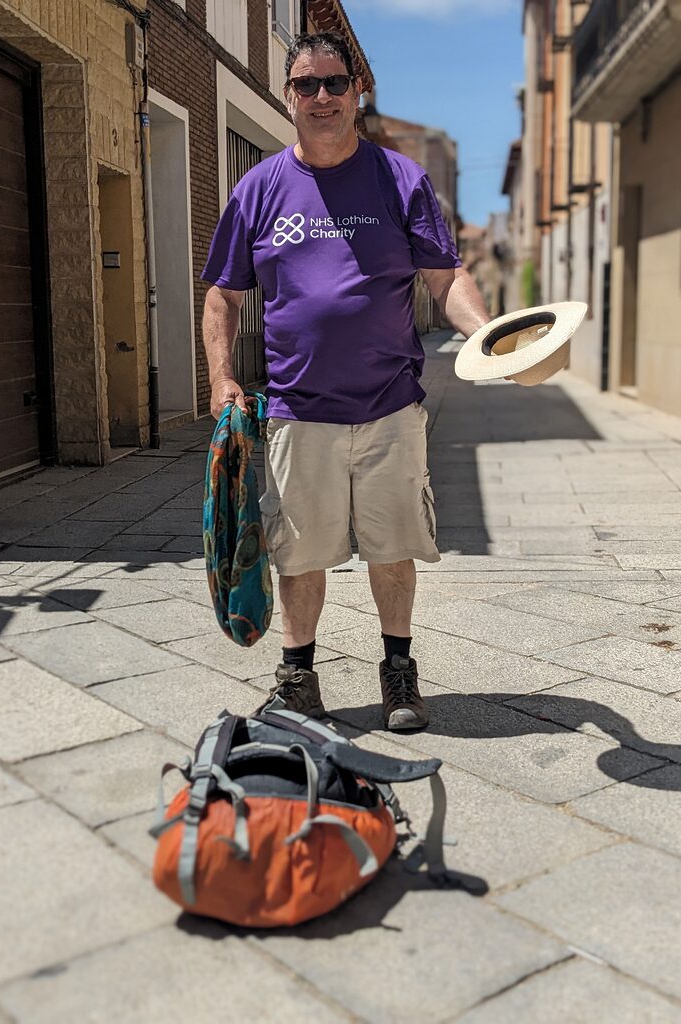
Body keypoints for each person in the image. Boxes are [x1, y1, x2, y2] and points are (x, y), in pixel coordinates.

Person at [201, 31, 490, 731]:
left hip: (391, 406)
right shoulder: (259, 188)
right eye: (307, 85)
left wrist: (485, 332)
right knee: (300, 551)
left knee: (393, 547)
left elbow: (445, 277)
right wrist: (220, 378)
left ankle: (398, 671)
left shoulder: (401, 180)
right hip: (301, 411)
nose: (322, 97)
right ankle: (298, 679)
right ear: (289, 96)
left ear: (358, 91)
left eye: (335, 83)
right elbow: (222, 295)